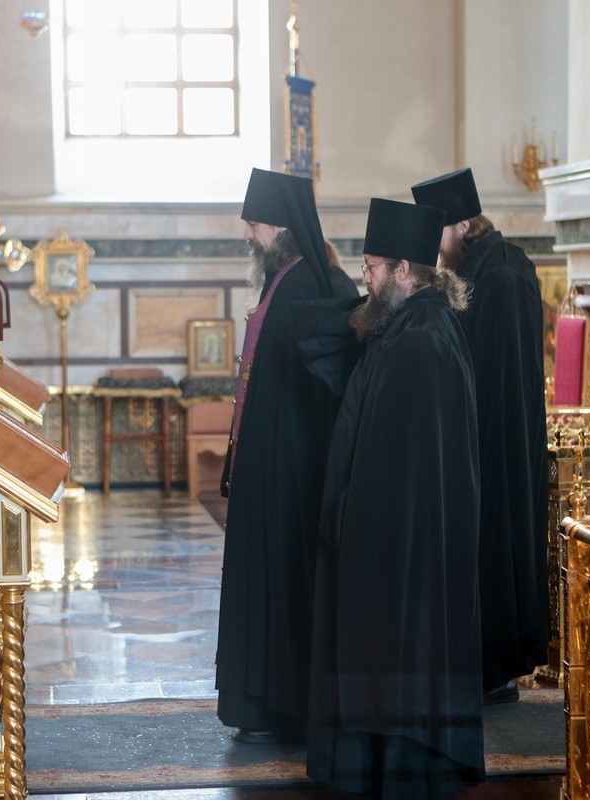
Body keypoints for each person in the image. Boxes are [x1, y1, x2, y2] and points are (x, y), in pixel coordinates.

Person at [307, 198, 484, 799]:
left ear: (404, 270)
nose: (366, 278)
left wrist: (356, 524)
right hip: (397, 538)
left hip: (403, 546)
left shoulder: (422, 340)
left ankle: (402, 769)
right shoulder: (410, 327)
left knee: (401, 652)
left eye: (372, 267)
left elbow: (402, 465)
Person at [216, 167, 358, 745]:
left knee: (286, 583)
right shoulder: (284, 280)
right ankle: (260, 702)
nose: (248, 234)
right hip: (265, 465)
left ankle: (284, 704)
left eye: (255, 224)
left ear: (282, 225)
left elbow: (334, 382)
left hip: (295, 472)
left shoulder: (319, 284)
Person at [412, 167, 549, 704]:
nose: (436, 245)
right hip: (484, 437)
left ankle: (495, 669)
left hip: (496, 444)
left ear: (464, 225)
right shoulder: (487, 268)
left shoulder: (502, 277)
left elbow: (491, 375)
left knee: (495, 549)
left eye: (440, 232)